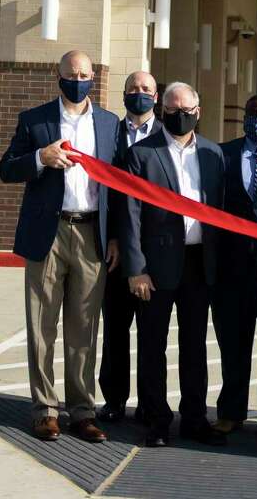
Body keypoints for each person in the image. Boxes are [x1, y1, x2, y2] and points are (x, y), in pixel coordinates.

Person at [0, 49, 120, 443]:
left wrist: (114, 234)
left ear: (93, 78)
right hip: (47, 233)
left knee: (84, 328)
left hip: (91, 234)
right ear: (58, 75)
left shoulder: (109, 123)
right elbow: (6, 168)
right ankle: (45, 410)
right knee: (41, 326)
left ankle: (82, 411)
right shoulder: (35, 119)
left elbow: (117, 185)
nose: (78, 79)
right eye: (72, 73)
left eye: (85, 74)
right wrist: (40, 157)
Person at [118, 81, 226, 449]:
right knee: (152, 345)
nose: (180, 116)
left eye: (187, 110)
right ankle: (157, 419)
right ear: (163, 111)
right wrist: (136, 268)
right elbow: (129, 215)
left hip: (200, 263)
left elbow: (221, 211)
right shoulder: (141, 154)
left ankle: (195, 418)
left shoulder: (213, 154)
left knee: (195, 345)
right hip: (156, 266)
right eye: (173, 109)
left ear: (198, 111)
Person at [210, 93, 257, 441]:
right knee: (233, 346)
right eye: (254, 112)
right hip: (232, 269)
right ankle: (230, 412)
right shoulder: (221, 155)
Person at [97, 70, 158, 424]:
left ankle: (150, 402)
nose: (140, 94)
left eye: (146, 89)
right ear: (123, 94)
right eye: (134, 89)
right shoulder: (108, 135)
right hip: (115, 251)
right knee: (116, 331)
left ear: (156, 94)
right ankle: (114, 399)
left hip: (154, 251)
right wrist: (113, 237)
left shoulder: (169, 137)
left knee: (152, 334)